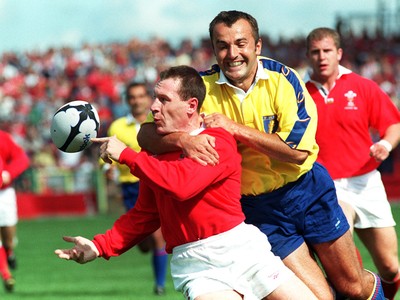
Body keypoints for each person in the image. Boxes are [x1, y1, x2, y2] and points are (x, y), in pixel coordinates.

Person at [137, 10, 385, 300]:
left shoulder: (285, 80)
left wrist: (233, 128)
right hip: (259, 209)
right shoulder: (201, 88)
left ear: (257, 46)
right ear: (214, 49)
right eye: (223, 45)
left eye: (241, 44)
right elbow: (145, 134)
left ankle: (383, 292)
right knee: (320, 297)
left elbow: (296, 152)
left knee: (352, 286)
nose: (232, 54)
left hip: (307, 190)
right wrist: (183, 140)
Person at [55, 65, 318, 300]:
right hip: (195, 265)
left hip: (243, 251)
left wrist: (126, 155)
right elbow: (146, 214)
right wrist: (100, 245)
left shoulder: (216, 140)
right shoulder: (153, 154)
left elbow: (181, 186)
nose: (153, 107)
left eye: (163, 99)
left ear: (191, 105)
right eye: (155, 98)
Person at [304, 27, 400, 300]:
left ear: (339, 53)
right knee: (346, 268)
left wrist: (385, 144)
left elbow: (393, 125)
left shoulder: (362, 86)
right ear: (308, 55)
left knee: (391, 267)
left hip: (366, 182)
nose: (322, 57)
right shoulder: (297, 92)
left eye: (327, 51)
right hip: (326, 187)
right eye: (315, 52)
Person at [105, 82, 168, 295]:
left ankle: (159, 285)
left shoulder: (159, 122)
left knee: (158, 236)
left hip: (152, 183)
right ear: (127, 100)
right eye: (132, 97)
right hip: (130, 188)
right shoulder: (117, 127)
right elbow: (108, 158)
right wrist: (107, 168)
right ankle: (149, 249)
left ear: (148, 98)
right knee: (142, 242)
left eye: (141, 96)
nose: (137, 100)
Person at [0, 129, 30, 292]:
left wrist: (8, 174)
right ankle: (6, 275)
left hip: (4, 194)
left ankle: (9, 251)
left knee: (8, 239)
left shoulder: (3, 138)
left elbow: (22, 159)